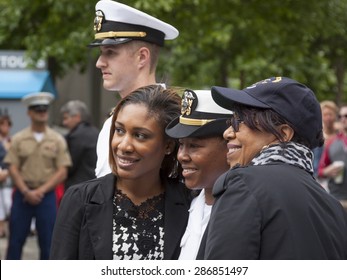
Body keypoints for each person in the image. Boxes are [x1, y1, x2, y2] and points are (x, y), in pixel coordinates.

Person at [197, 77, 347, 259]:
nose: (227, 133)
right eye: (230, 123)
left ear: (283, 134)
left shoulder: (243, 183)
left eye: (239, 121)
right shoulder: (333, 207)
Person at [50, 85, 190, 260]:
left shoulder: (189, 202)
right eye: (119, 130)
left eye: (140, 135)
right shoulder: (79, 199)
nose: (123, 146)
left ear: (168, 145)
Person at [89, 0, 179, 178]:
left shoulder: (172, 118)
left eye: (110, 52)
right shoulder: (114, 120)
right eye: (101, 53)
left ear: (142, 57)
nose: (99, 63)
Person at [3, 92, 72, 260]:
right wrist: (26, 191)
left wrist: (40, 191)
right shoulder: (19, 139)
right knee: (15, 242)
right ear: (29, 112)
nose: (42, 113)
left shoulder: (57, 139)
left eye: (44, 109)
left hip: (46, 196)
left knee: (48, 242)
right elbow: (12, 166)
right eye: (37, 109)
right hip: (22, 195)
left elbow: (63, 170)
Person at [165, 89, 232, 259]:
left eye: (194, 146)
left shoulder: (243, 209)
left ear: (229, 145)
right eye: (181, 145)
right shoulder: (185, 202)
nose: (182, 156)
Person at [60, 100, 99, 190]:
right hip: (95, 185)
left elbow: (70, 164)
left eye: (66, 118)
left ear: (77, 117)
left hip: (77, 188)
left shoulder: (75, 136)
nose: (64, 123)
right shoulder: (96, 132)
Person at [318, 104, 347, 211]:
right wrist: (327, 171)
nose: (343, 119)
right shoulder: (331, 142)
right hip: (337, 199)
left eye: (346, 116)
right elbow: (320, 170)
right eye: (340, 116)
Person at [312, 100, 338, 178]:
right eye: (325, 114)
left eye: (330, 114)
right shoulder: (315, 137)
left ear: (335, 116)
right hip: (318, 178)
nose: (328, 118)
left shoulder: (340, 136)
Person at [0, 112, 12, 238]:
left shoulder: (12, 140)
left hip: (9, 176)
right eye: (2, 124)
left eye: (8, 125)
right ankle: (1, 229)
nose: (5, 127)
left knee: (8, 203)